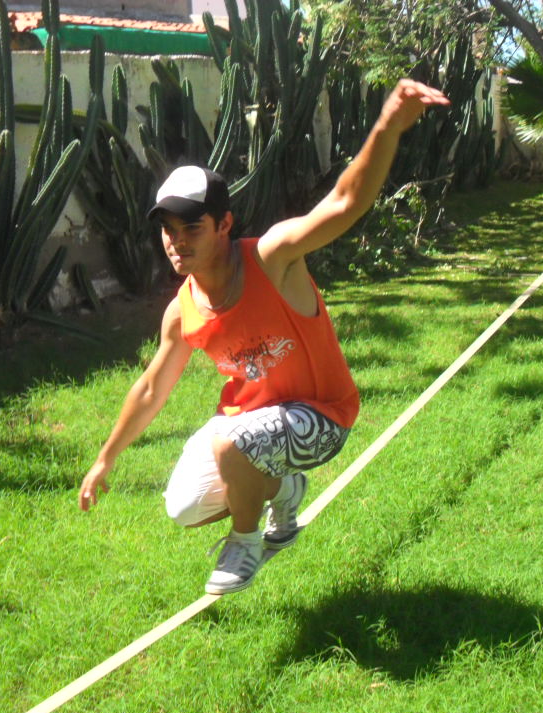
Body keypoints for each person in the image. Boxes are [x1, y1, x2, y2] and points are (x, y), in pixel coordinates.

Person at [79, 80, 449, 594]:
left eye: (192, 226)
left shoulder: (271, 259)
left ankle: (248, 542)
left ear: (224, 223)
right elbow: (150, 389)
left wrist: (387, 125)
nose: (177, 240)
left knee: (233, 442)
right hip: (254, 427)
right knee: (183, 506)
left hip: (321, 417)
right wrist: (106, 457)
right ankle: (283, 485)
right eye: (168, 228)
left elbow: (344, 202)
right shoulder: (181, 311)